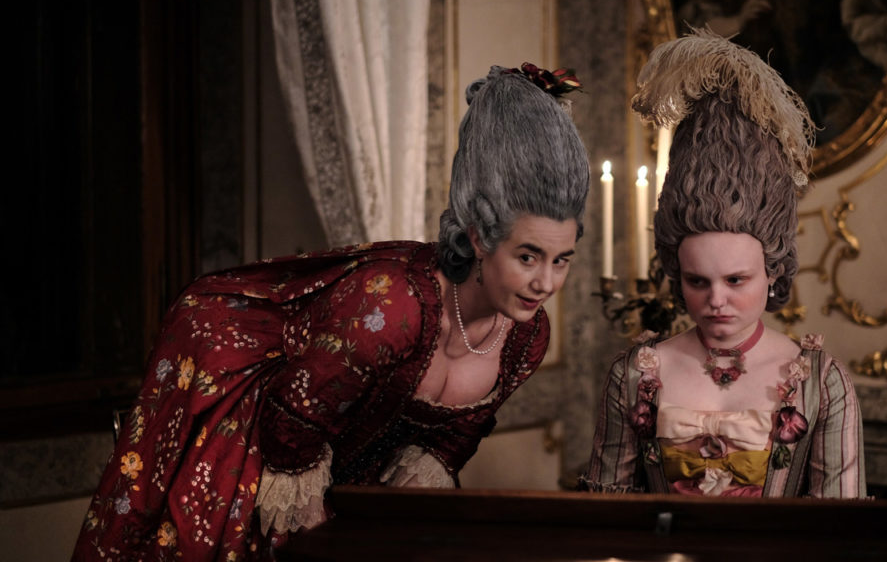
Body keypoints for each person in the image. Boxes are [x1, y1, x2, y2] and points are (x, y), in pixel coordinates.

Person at [73, 62, 589, 561]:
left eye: (561, 260)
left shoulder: (527, 338)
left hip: (354, 495)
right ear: (478, 238)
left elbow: (453, 440)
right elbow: (291, 425)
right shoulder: (391, 304)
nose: (546, 284)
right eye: (528, 257)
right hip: (256, 449)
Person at [579, 29, 865, 498]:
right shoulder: (633, 375)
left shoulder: (822, 382)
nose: (716, 300)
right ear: (676, 274)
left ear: (773, 270)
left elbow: (839, 529)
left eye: (736, 280)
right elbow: (606, 517)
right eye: (697, 281)